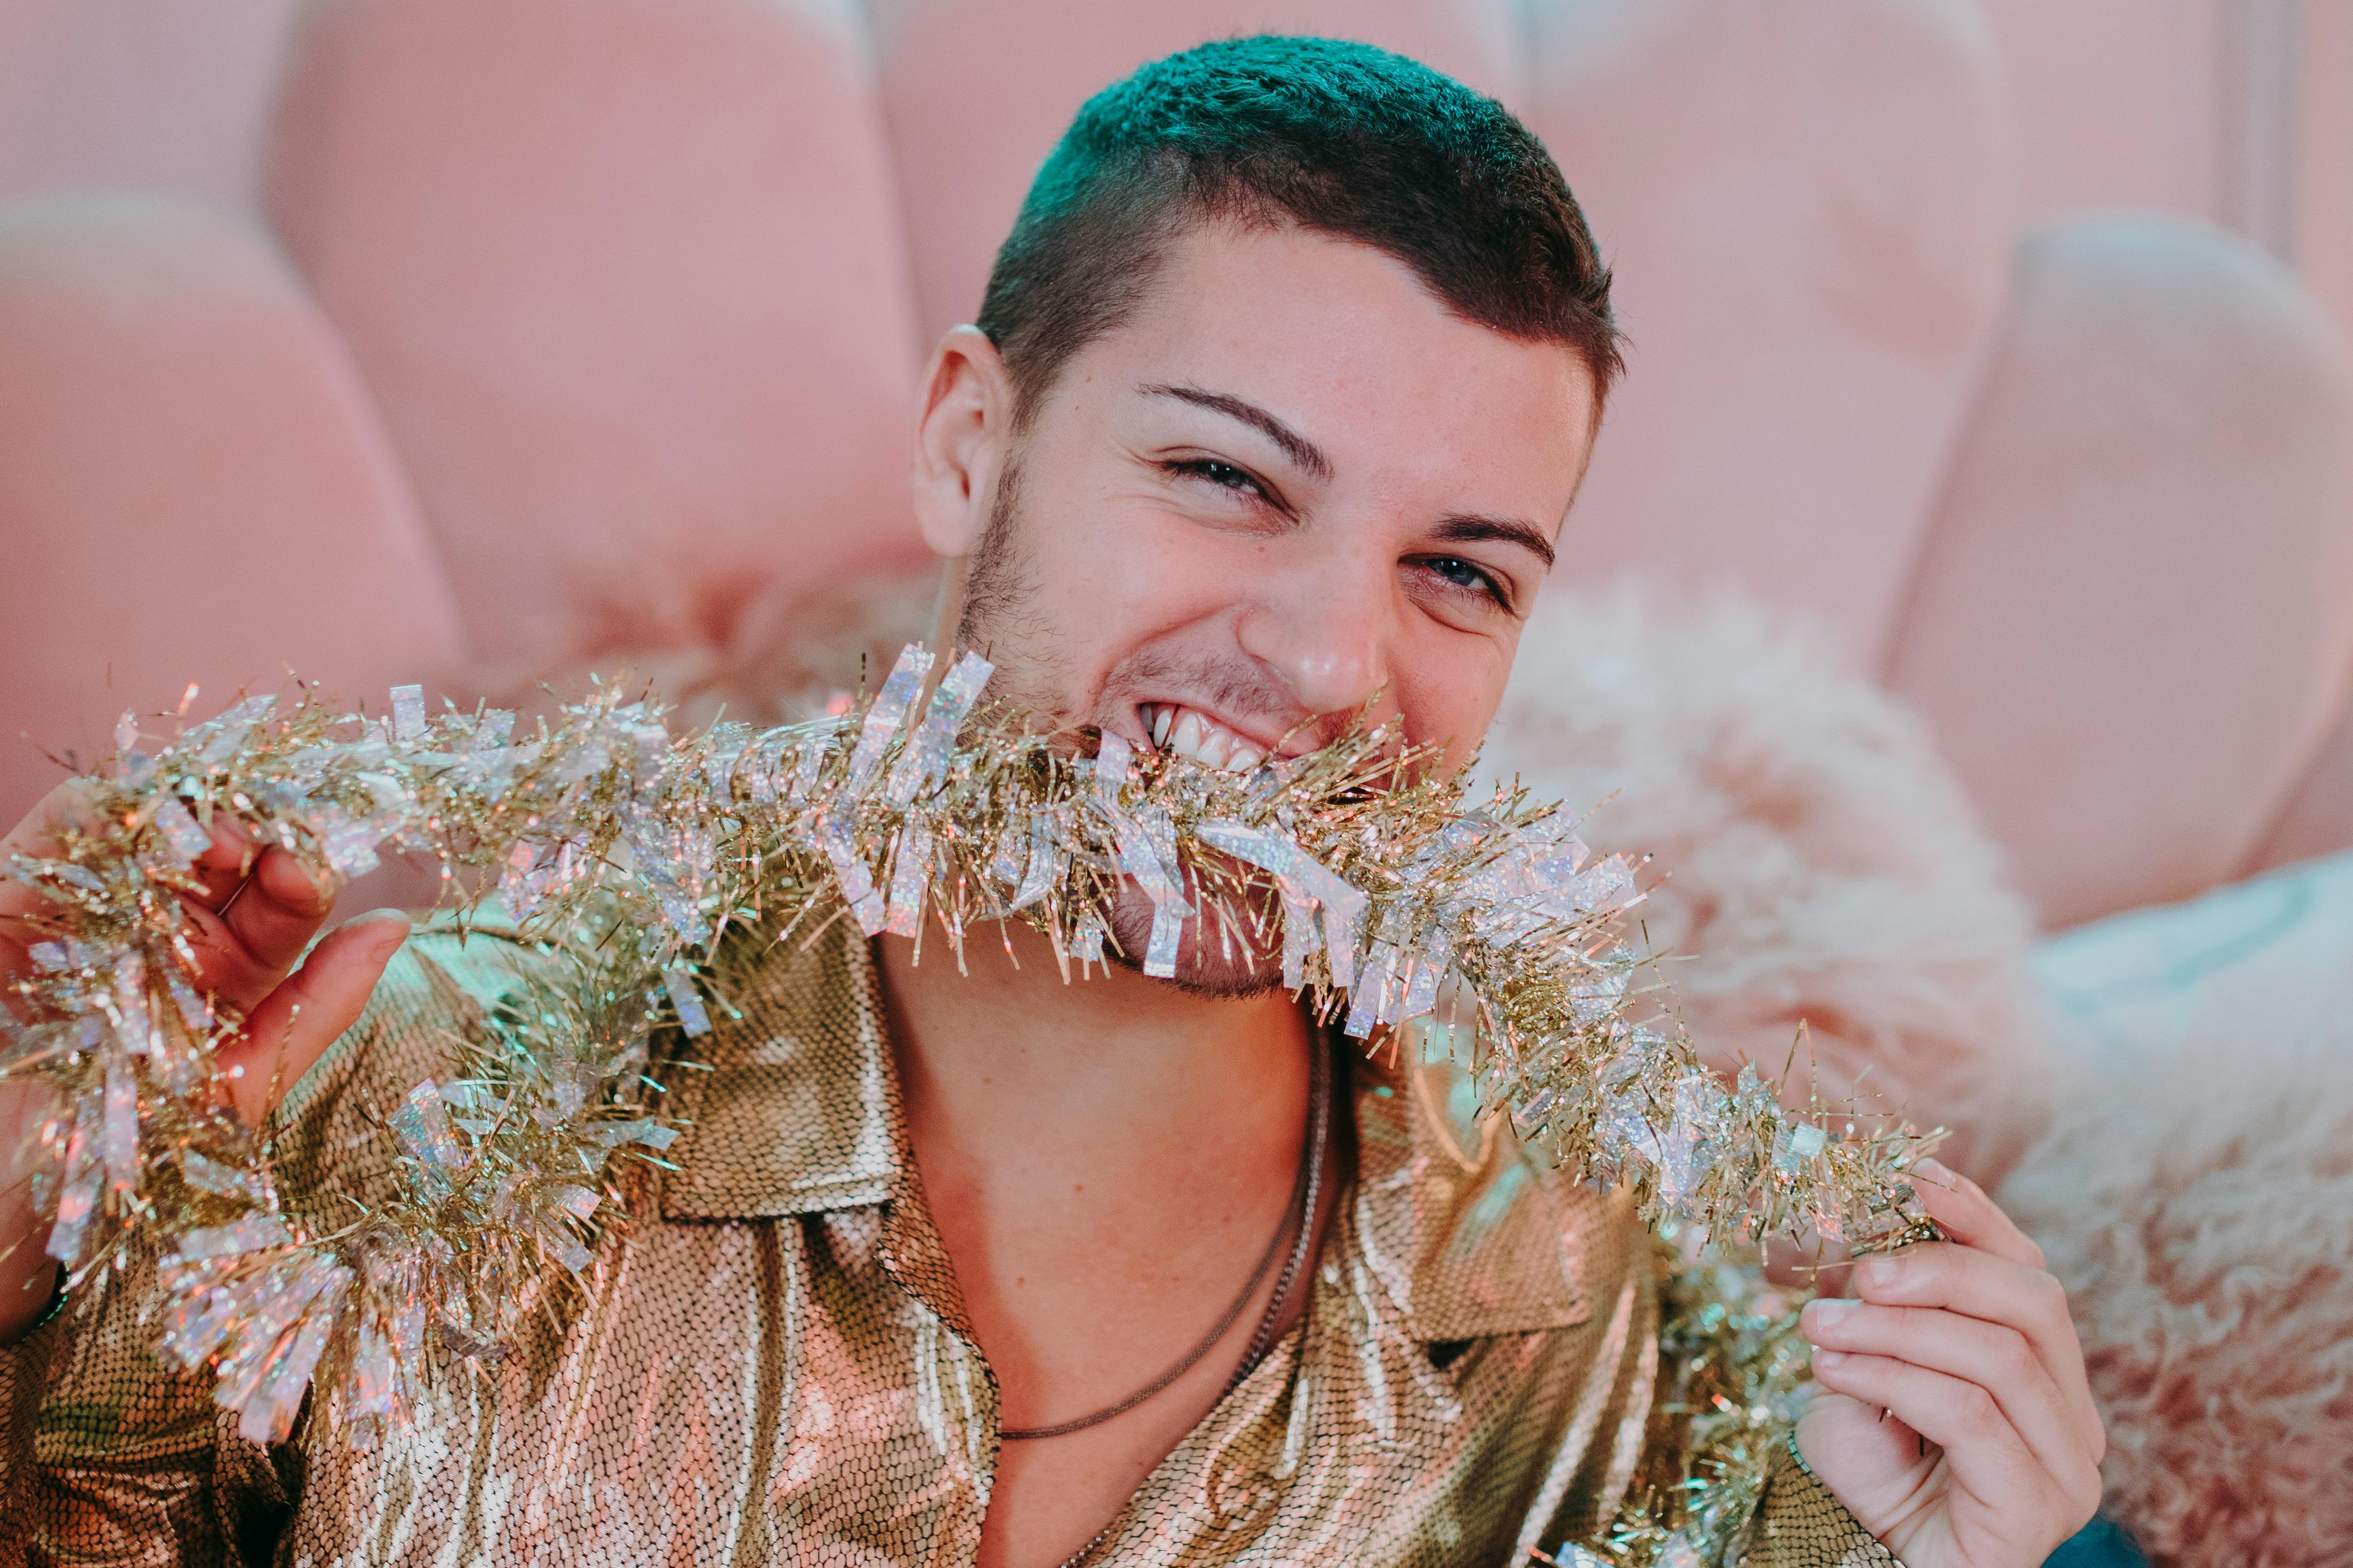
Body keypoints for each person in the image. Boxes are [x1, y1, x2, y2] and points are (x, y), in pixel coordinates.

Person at [0, 36, 2101, 1568]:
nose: (1323, 663)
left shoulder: (1606, 1325)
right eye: (1220, 474)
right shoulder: (402, 1089)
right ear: (964, 447)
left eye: (1456, 570)